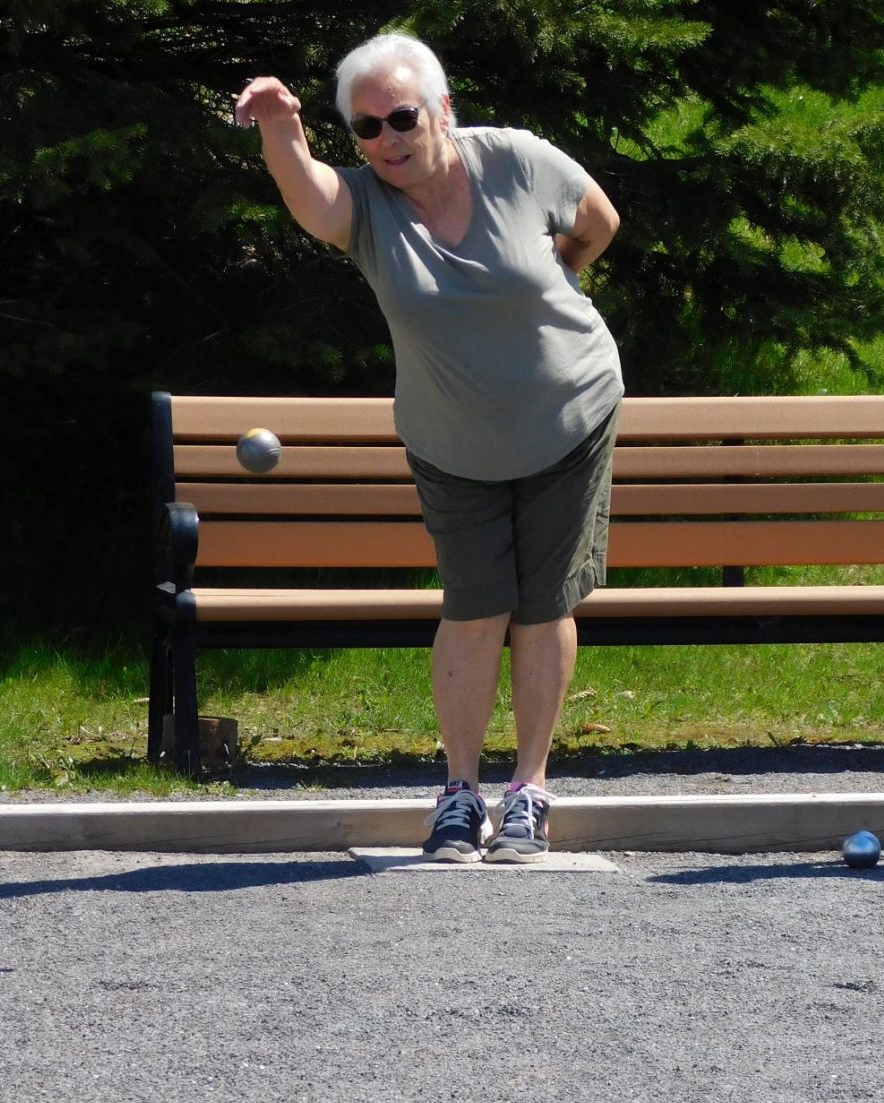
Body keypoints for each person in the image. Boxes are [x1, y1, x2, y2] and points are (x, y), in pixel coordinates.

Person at [234, 33, 623, 863]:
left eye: (403, 116)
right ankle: (457, 794)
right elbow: (310, 197)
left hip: (567, 417)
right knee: (474, 604)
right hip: (452, 442)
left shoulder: (516, 161)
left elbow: (596, 222)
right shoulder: (367, 208)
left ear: (441, 110)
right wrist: (280, 126)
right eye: (367, 128)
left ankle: (528, 790)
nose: (388, 139)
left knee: (543, 604)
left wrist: (551, 278)